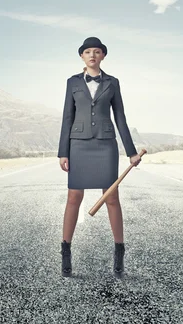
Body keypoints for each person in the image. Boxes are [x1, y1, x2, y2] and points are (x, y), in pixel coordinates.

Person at [57, 36, 141, 278]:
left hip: (105, 145)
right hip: (78, 145)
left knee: (112, 198)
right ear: (82, 56)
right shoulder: (72, 82)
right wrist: (63, 151)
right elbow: (67, 117)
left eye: (97, 51)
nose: (92, 55)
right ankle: (66, 252)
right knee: (74, 197)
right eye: (87, 52)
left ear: (103, 55)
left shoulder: (113, 83)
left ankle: (119, 253)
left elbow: (120, 118)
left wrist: (131, 152)